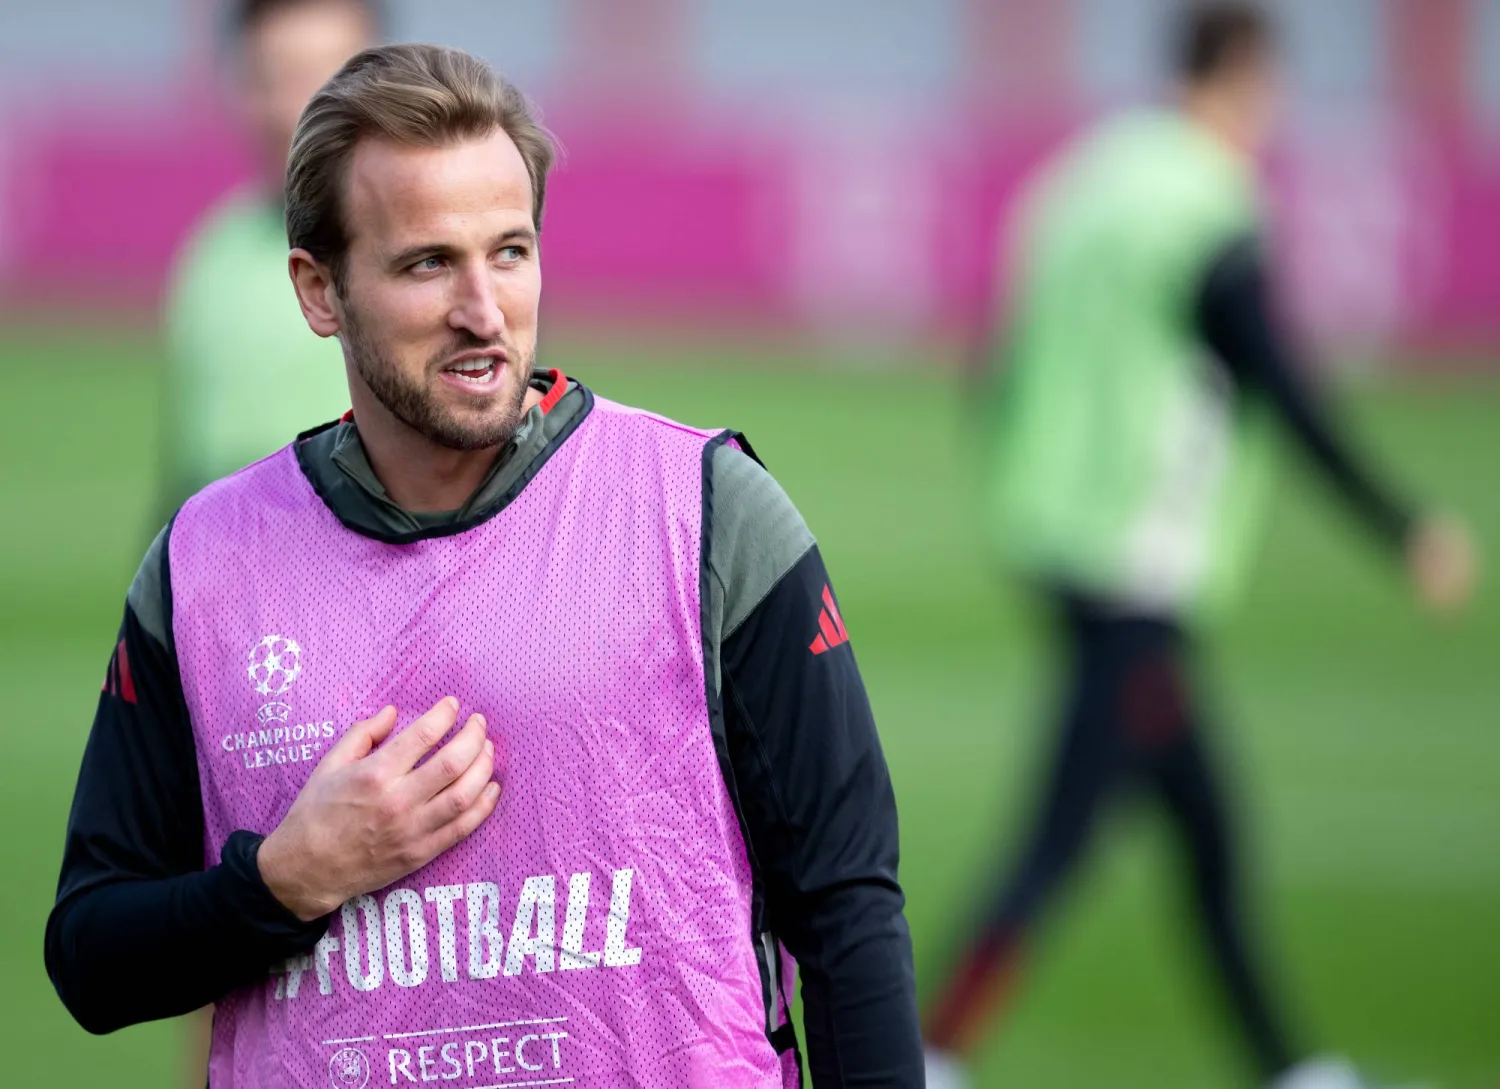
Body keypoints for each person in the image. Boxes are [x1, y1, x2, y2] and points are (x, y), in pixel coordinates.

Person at [47, 44, 923, 1088]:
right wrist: (285, 881)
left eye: (509, 251)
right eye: (428, 263)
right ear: (319, 290)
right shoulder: (203, 567)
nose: (483, 308)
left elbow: (847, 907)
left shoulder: (708, 513)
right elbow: (92, 959)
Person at [923, 6, 1477, 1089]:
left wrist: (1024, 478)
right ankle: (927, 1053)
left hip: (1056, 538)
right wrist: (1402, 525)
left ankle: (1294, 1068)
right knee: (1065, 836)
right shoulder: (1206, 207)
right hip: (1138, 560)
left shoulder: (1087, 182)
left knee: (1205, 829)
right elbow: (1284, 387)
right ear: (1243, 78)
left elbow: (1002, 356)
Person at [158, 0, 379, 519]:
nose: (292, 107)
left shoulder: (427, 253)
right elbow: (188, 469)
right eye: (268, 78)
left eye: (318, 77)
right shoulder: (214, 250)